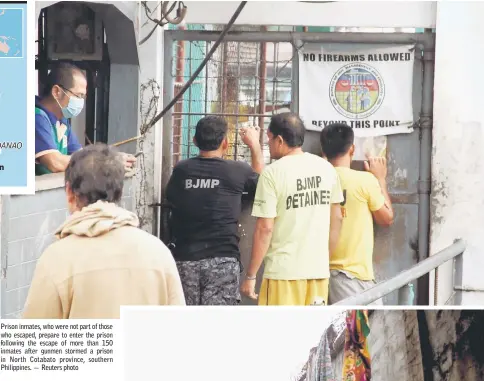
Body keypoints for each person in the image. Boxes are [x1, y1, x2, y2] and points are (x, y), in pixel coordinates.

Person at [23, 144, 185, 319]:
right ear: (119, 191)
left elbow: (35, 339)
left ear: (70, 192)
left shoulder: (56, 259)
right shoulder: (158, 252)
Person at [241, 113, 344, 306]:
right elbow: (337, 219)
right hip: (318, 274)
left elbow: (265, 228)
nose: (268, 144)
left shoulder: (272, 174)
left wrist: (250, 275)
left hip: (283, 275)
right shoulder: (326, 169)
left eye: (269, 139)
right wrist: (323, 260)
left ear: (279, 140)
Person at [165, 115, 264, 305]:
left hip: (185, 260)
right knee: (217, 325)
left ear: (194, 141)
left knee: (186, 322)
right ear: (225, 143)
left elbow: (172, 198)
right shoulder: (238, 170)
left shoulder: (182, 170)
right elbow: (262, 185)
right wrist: (254, 146)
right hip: (223, 260)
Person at [320, 123, 394, 304]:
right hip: (352, 276)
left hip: (320, 273)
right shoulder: (364, 180)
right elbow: (386, 218)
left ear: (323, 151)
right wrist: (380, 179)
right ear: (352, 149)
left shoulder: (318, 180)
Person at [35, 62, 135, 176]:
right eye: (78, 96)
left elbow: (81, 157)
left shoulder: (62, 120)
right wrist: (106, 163)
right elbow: (55, 162)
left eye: (83, 96)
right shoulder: (36, 117)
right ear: (56, 92)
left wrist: (112, 157)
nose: (81, 102)